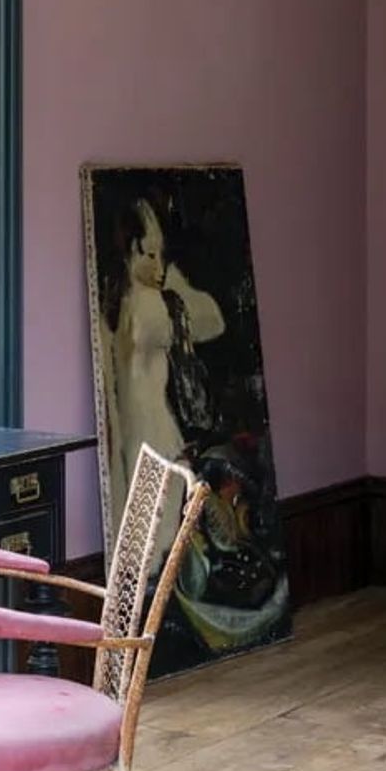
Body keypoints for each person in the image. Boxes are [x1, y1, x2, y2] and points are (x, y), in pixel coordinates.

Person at [100, 197, 225, 556]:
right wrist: (177, 287)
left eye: (161, 255)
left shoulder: (116, 303)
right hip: (158, 438)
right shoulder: (148, 305)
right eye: (149, 254)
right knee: (163, 543)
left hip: (134, 441)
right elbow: (213, 321)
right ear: (130, 252)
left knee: (151, 542)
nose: (158, 264)